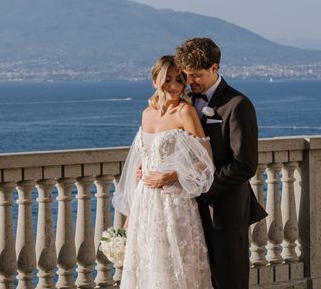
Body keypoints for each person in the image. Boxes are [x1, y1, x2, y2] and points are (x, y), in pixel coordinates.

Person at [113, 55, 215, 289]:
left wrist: (174, 175)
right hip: (144, 204)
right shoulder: (146, 114)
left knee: (172, 271)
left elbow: (206, 161)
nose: (174, 85)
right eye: (167, 79)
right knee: (145, 269)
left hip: (173, 204)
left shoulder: (185, 113)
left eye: (179, 80)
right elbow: (144, 159)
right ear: (155, 82)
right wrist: (129, 218)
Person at [174, 37, 267, 289]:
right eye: (186, 75)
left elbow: (244, 165)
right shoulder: (184, 104)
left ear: (215, 68)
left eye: (196, 75)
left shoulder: (238, 105)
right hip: (186, 213)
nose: (190, 81)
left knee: (229, 282)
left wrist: (200, 188)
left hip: (225, 213)